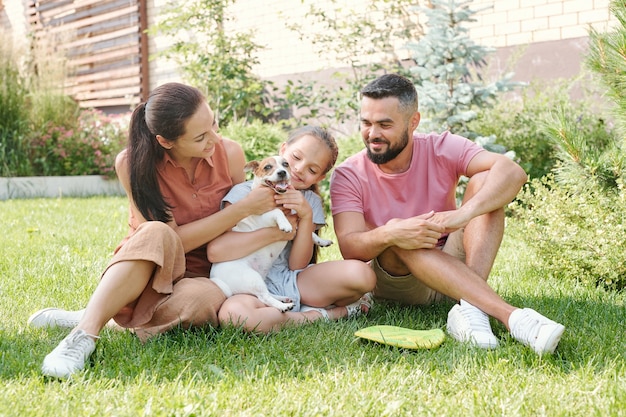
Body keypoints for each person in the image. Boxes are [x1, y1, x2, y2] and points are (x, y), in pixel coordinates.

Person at [27, 83, 283, 378]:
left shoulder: (232, 153)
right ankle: (83, 334)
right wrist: (244, 208)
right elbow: (174, 239)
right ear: (165, 141)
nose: (215, 138)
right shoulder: (132, 163)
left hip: (205, 274)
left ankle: (105, 312)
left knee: (199, 301)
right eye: (201, 137)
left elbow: (242, 228)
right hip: (147, 266)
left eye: (213, 123)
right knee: (156, 231)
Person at [330, 73, 565, 354]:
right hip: (400, 278)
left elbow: (511, 171)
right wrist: (393, 232)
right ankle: (512, 317)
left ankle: (468, 309)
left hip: (450, 257)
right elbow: (349, 247)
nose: (372, 134)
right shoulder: (349, 173)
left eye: (385, 124)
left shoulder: (441, 147)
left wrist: (462, 215)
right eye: (366, 123)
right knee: (404, 231)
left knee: (484, 181)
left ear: (413, 121)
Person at [208, 126, 376, 333]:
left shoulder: (310, 201)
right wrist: (274, 231)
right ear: (283, 149)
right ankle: (320, 314)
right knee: (235, 317)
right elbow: (218, 250)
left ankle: (282, 314)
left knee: (362, 276)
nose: (298, 169)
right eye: (295, 158)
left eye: (312, 170)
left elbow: (297, 264)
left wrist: (305, 216)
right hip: (248, 282)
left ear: (319, 178)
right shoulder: (244, 193)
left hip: (293, 279)